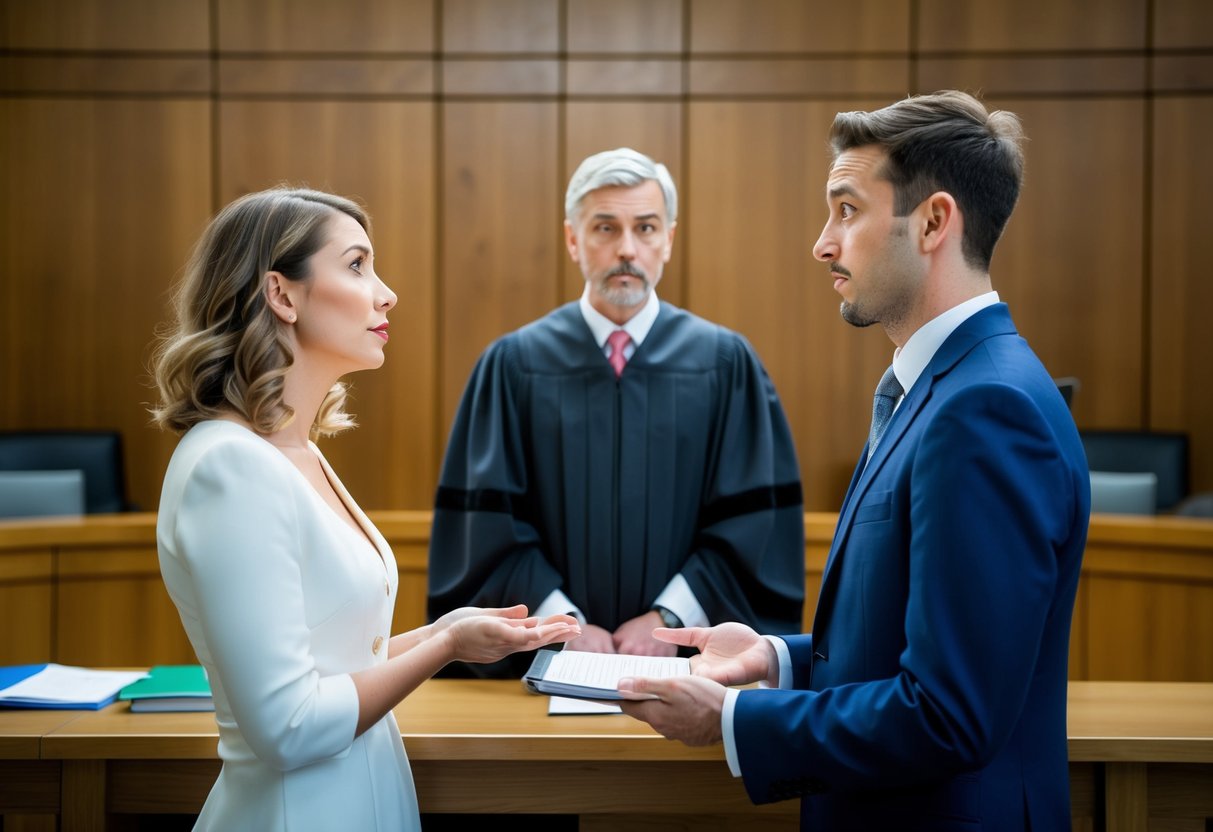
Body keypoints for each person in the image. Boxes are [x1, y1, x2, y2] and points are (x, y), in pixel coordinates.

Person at [616, 91, 1091, 831]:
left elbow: (947, 712)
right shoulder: (938, 386)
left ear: (932, 222)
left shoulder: (984, 409)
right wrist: (775, 661)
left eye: (845, 209)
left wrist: (735, 718)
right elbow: (914, 641)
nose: (822, 243)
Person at [149, 187, 579, 831]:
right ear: (282, 294)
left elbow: (336, 662)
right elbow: (289, 728)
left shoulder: (299, 452)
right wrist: (445, 648)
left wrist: (446, 631)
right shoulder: (228, 467)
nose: (386, 294)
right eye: (356, 265)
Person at [428, 147, 806, 678]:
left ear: (668, 240)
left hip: (689, 672)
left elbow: (754, 528)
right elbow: (488, 531)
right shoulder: (513, 366)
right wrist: (562, 623)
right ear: (572, 239)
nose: (627, 248)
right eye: (605, 228)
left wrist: (668, 618)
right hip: (544, 670)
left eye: (646, 228)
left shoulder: (725, 365)